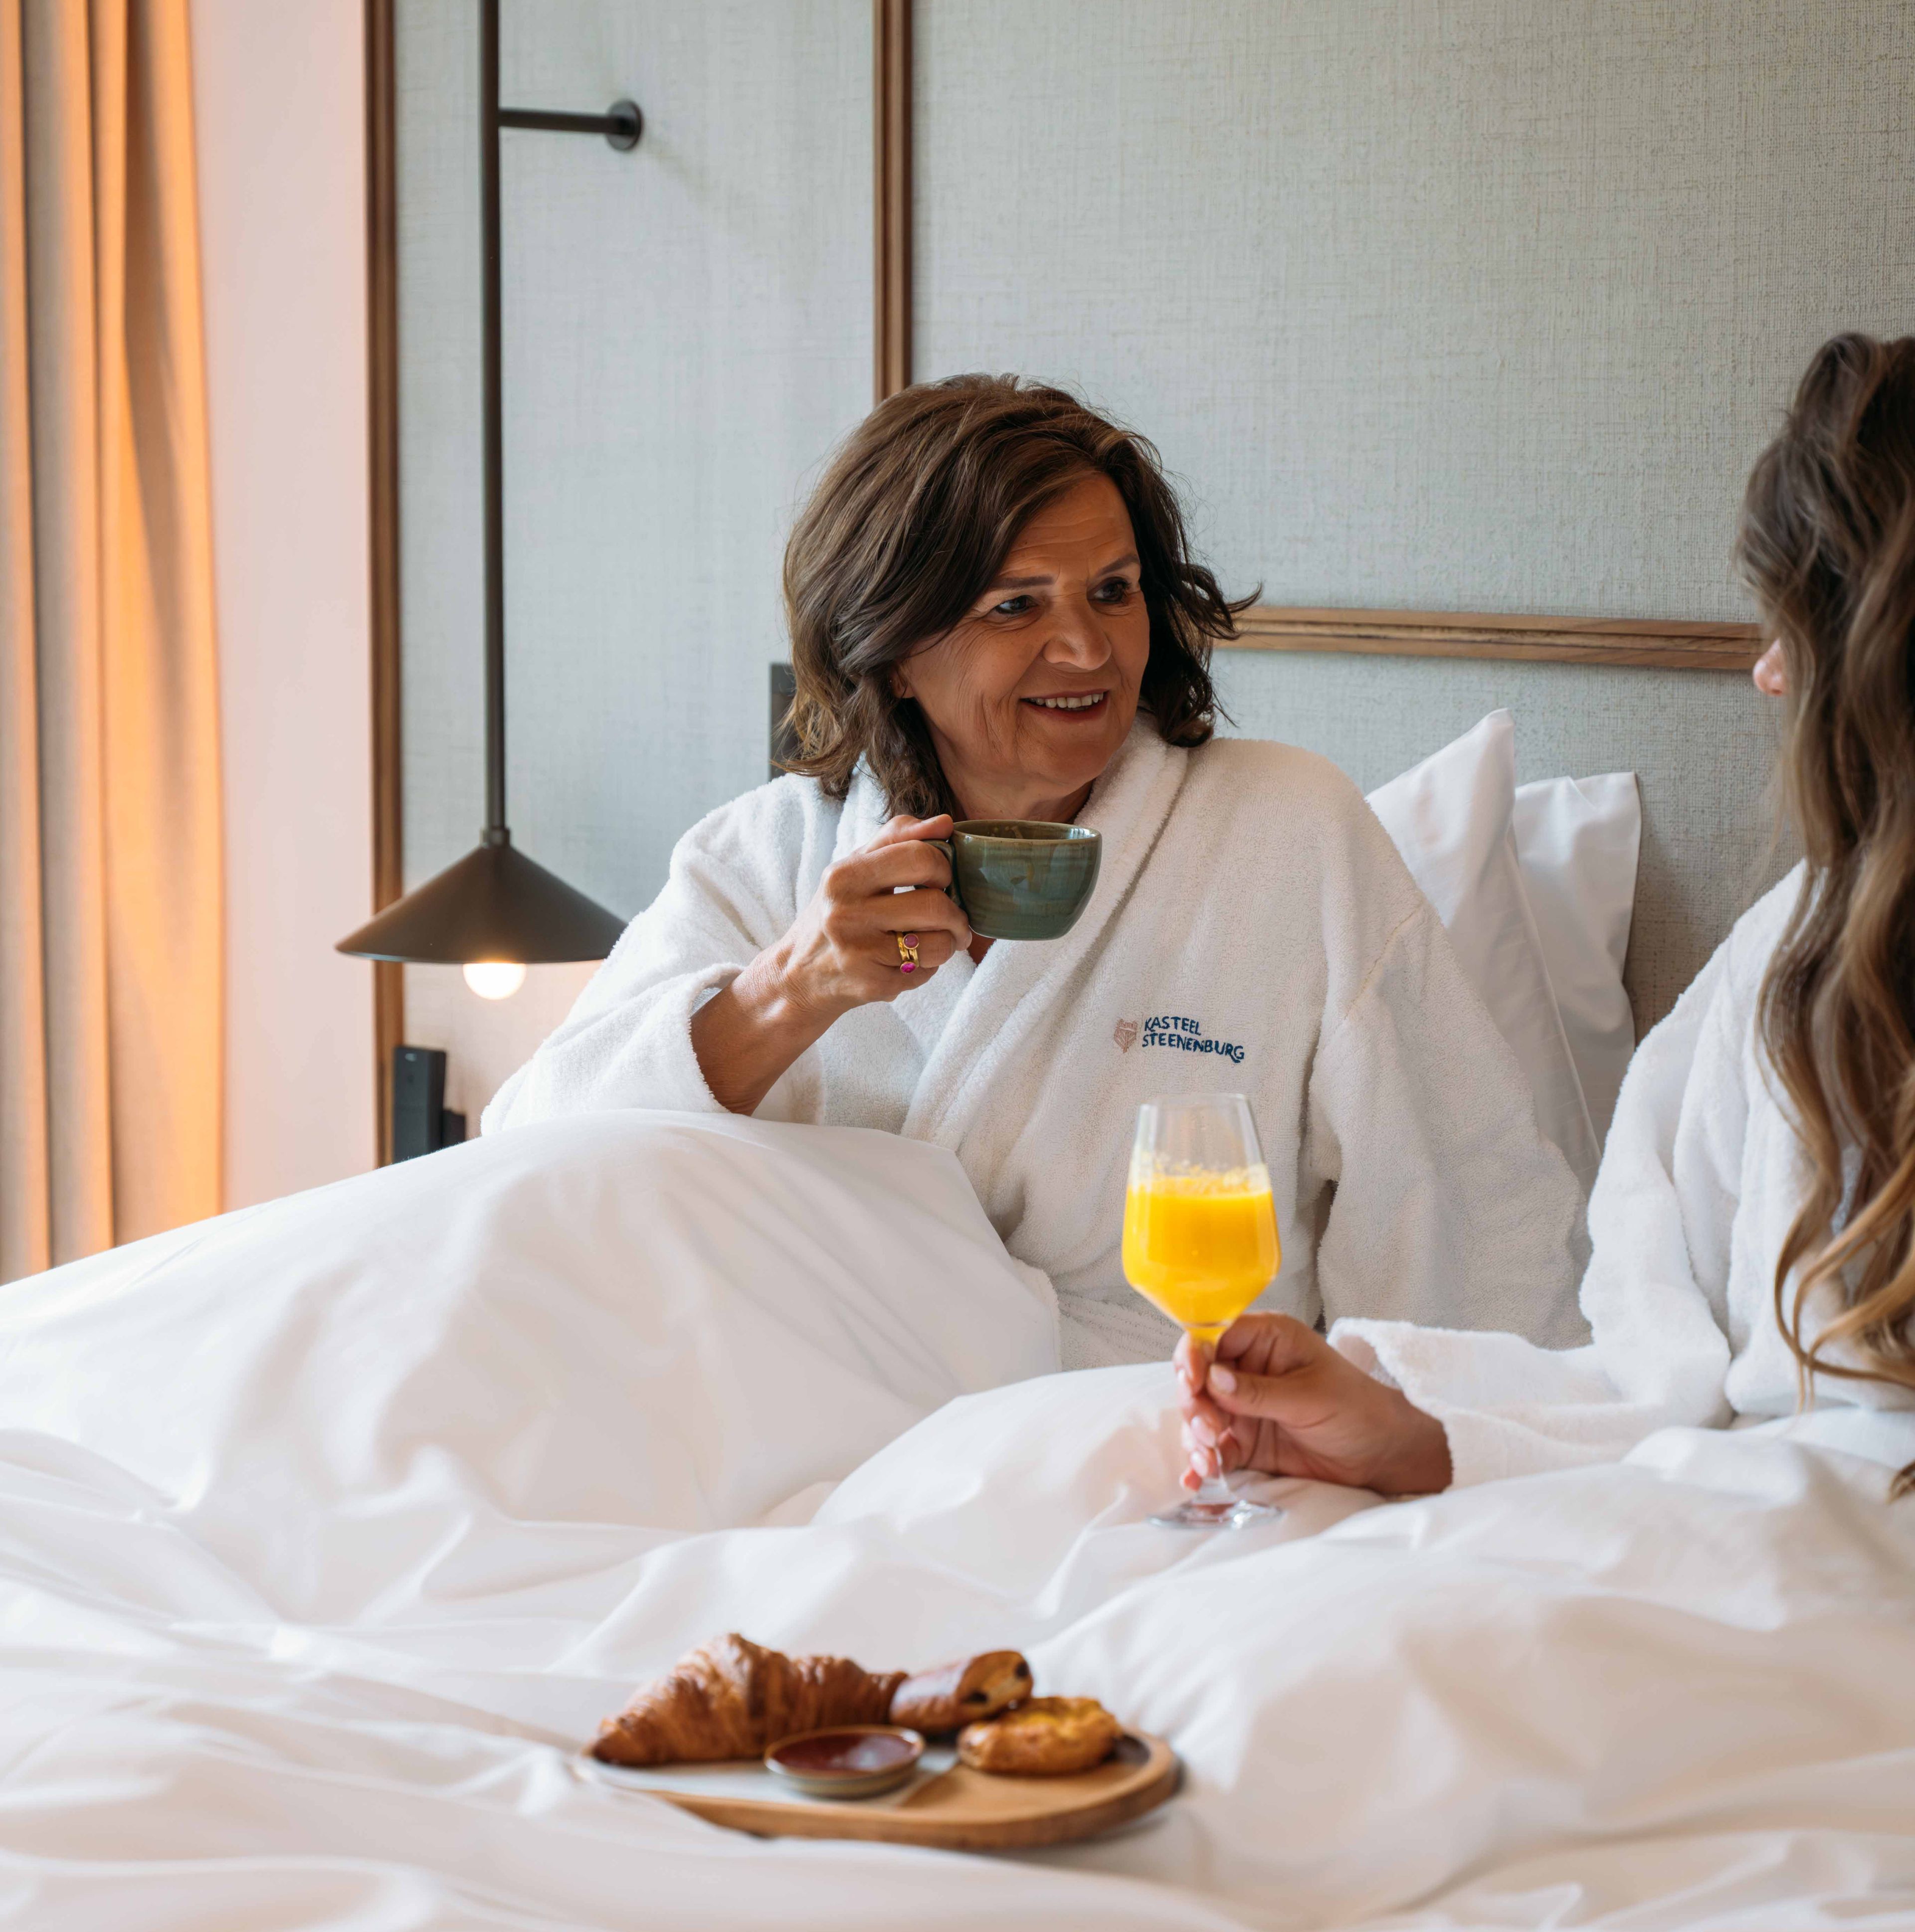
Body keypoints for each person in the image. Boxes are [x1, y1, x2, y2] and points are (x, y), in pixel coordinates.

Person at [486, 375, 1587, 1367]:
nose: (1089, 650)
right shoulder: (769, 859)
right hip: (813, 1412)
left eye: (1113, 591)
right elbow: (534, 1163)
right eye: (1016, 606)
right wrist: (788, 992)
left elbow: (1466, 1210)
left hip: (1154, 1426)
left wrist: (1424, 1448)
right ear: (895, 650)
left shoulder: (1286, 832)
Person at [1178, 333, 1915, 1497]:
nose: (1769, 674)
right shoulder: (1803, 941)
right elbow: (1661, 1367)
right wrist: (1407, 1435)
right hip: (1761, 1501)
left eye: (1800, 625)